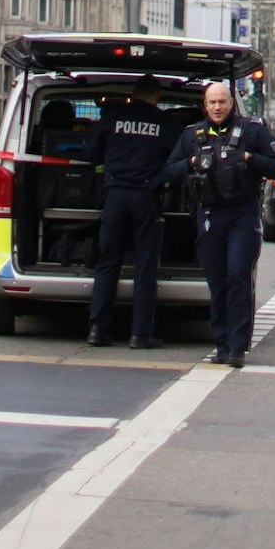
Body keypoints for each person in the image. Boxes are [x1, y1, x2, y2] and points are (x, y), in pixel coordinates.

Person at [163, 81, 275, 368]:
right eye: (212, 103)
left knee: (238, 275)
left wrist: (249, 158)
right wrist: (192, 161)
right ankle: (222, 343)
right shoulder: (192, 134)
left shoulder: (252, 131)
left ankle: (237, 347)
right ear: (205, 106)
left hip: (242, 213)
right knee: (217, 281)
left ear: (232, 103)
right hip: (209, 214)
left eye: (222, 102)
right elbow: (169, 171)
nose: (217, 107)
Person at [81, 74, 173, 350]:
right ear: (157, 97)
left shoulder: (112, 118)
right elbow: (179, 159)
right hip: (146, 198)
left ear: (133, 94)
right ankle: (140, 334)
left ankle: (98, 329)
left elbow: (90, 153)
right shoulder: (165, 123)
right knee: (145, 266)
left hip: (115, 196)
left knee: (108, 262)